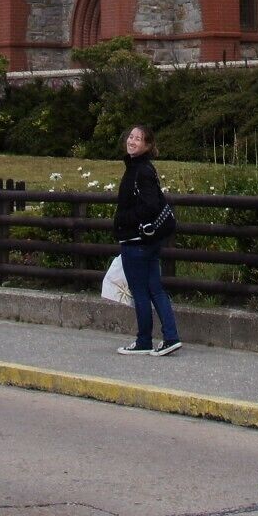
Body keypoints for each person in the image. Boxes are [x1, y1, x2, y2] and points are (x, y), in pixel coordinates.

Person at [113, 124, 181, 356]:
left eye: (138, 139)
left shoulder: (141, 170)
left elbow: (150, 204)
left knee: (140, 291)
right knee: (155, 288)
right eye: (131, 137)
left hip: (136, 240)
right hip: (146, 241)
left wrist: (123, 220)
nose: (132, 141)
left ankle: (144, 340)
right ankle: (170, 337)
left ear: (147, 145)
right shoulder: (138, 168)